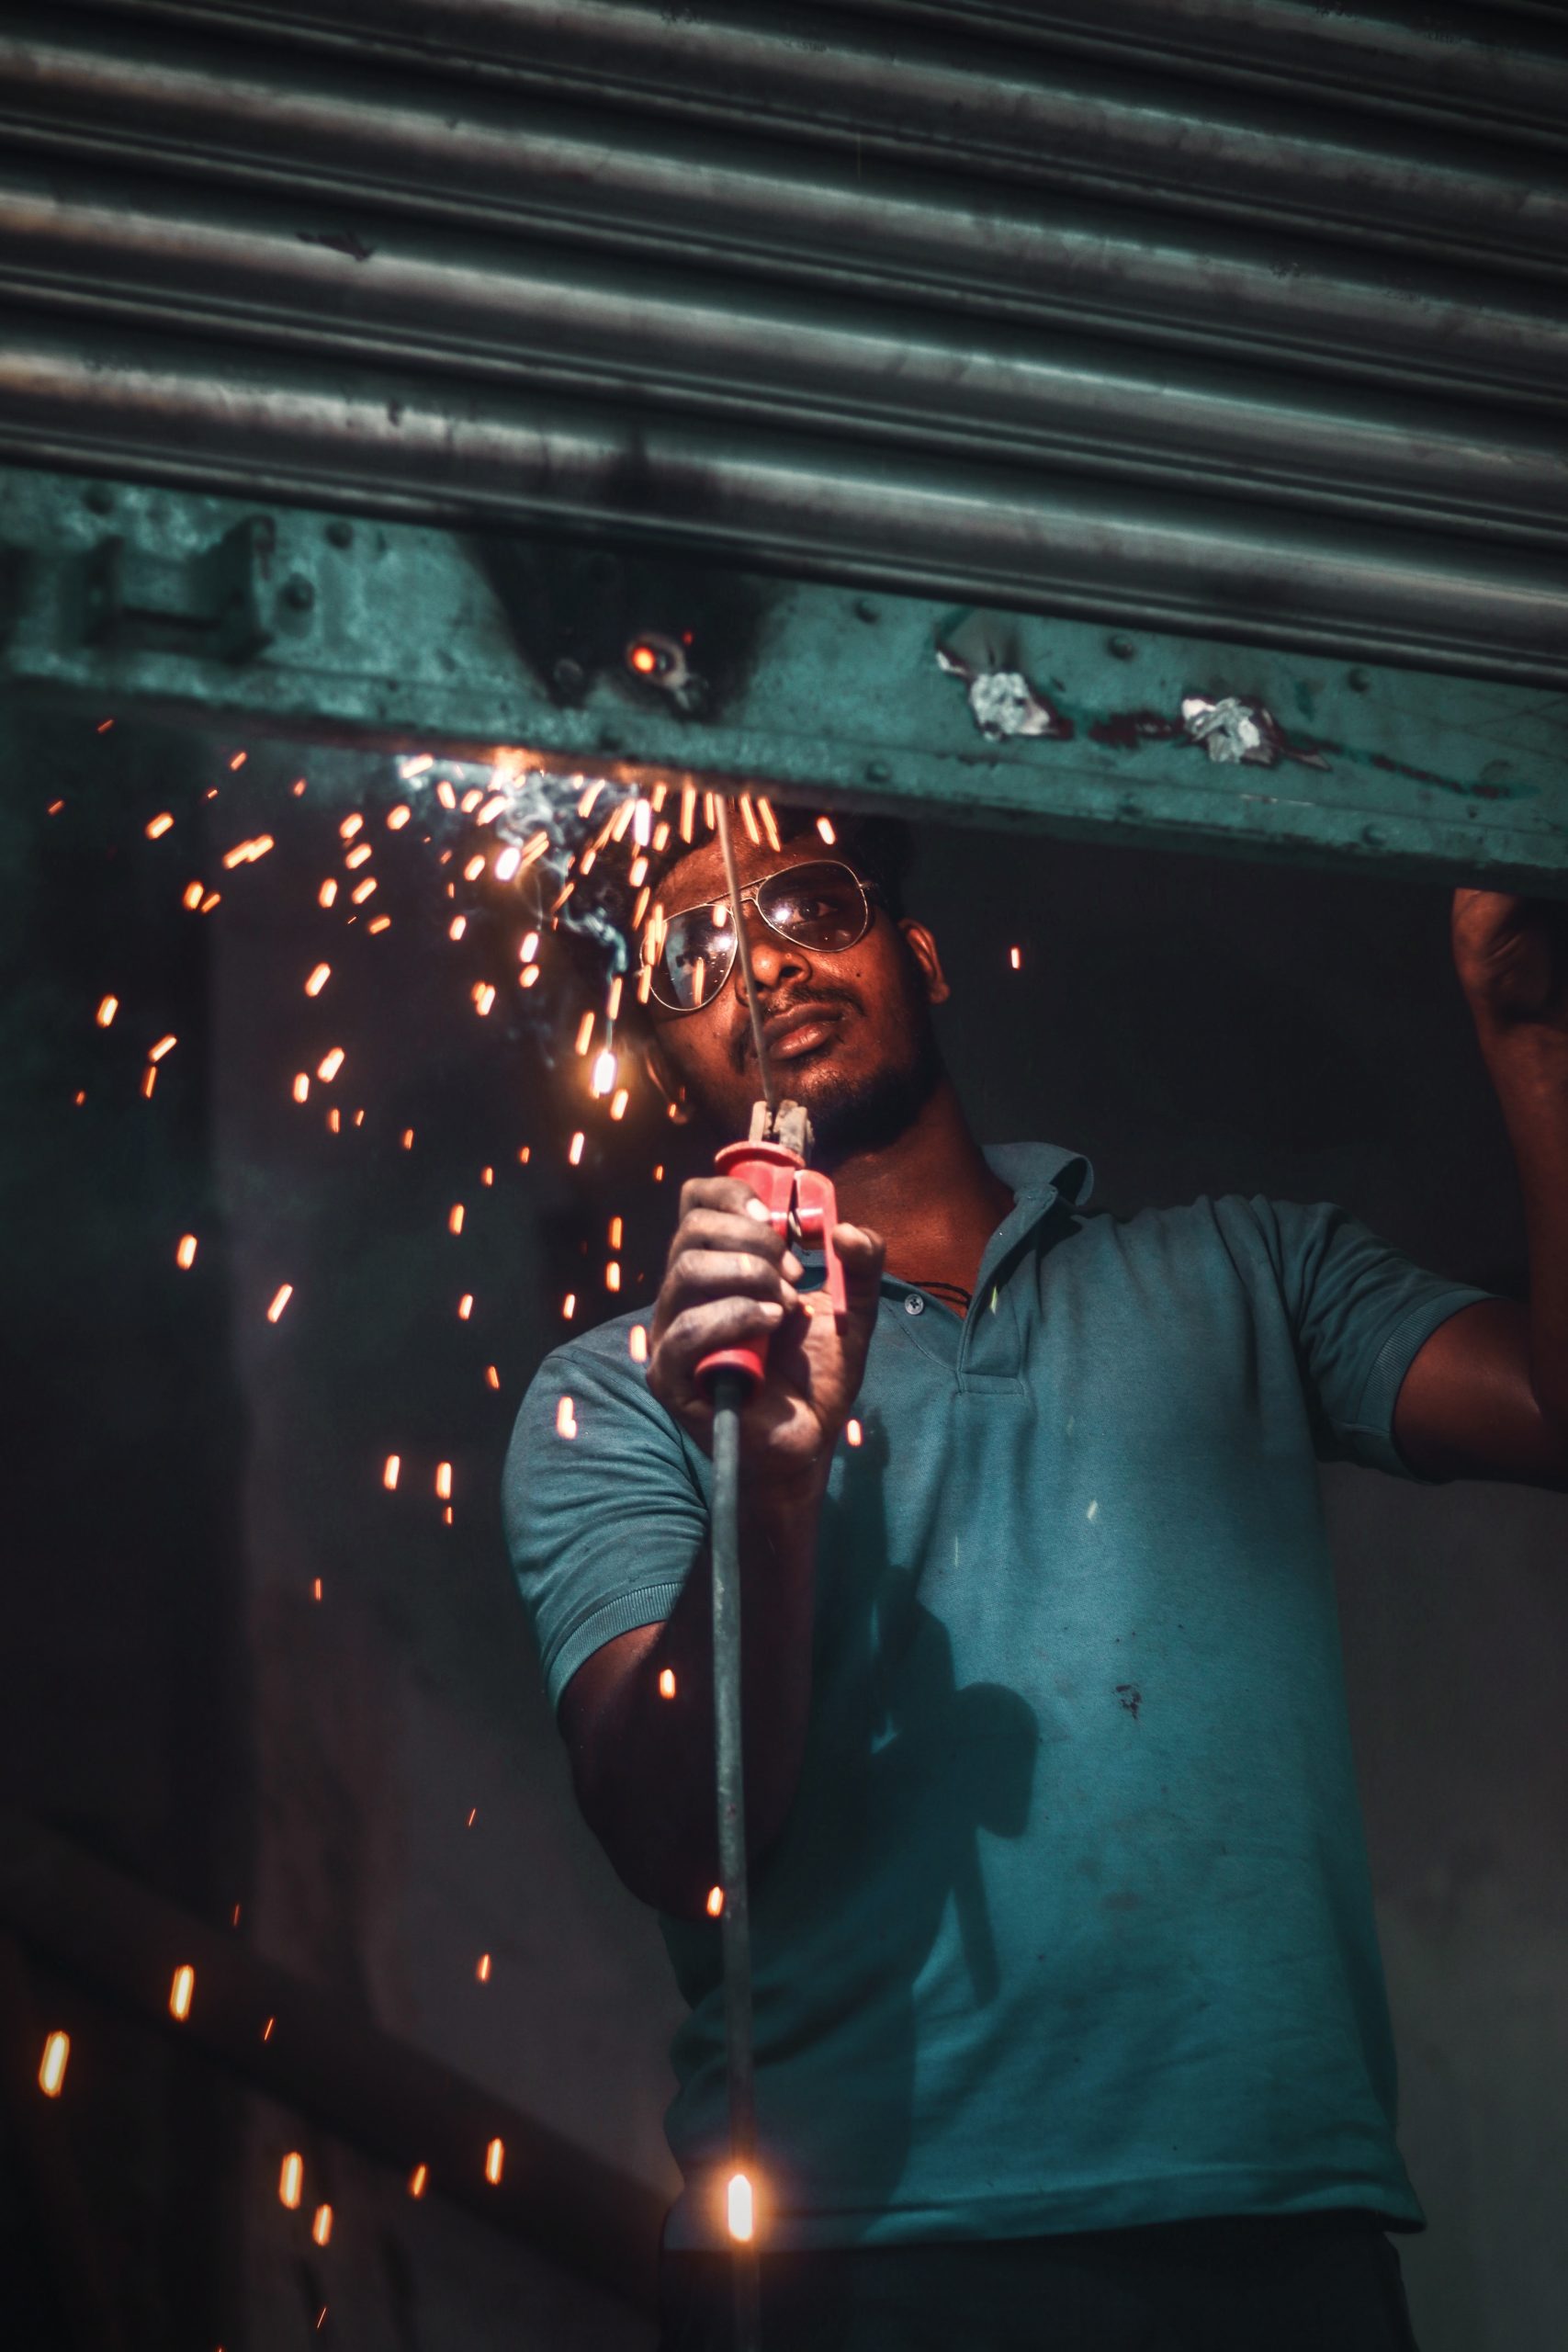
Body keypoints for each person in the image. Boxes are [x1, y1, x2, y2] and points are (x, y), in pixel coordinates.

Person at [503, 808, 1568, 2351]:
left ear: (917, 949)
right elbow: (680, 1843)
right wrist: (770, 1481)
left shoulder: (1245, 1275)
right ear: (668, 1063)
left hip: (1275, 2234)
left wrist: (1536, 1044)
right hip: (859, 2265)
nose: (765, 962)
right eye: (691, 957)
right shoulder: (623, 1396)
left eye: (808, 903)